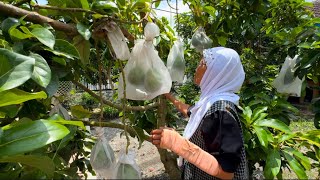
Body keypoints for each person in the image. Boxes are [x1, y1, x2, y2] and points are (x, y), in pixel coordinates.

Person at [150, 47, 248, 179]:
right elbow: (192, 112)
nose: (197, 68)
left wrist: (176, 143)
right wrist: (168, 94)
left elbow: (226, 173)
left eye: (202, 64)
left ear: (216, 72)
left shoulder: (221, 111)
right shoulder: (212, 101)